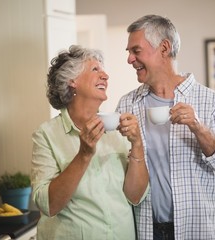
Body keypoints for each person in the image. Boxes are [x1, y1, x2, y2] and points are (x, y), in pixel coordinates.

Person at [116, 15, 215, 240]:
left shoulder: (209, 101)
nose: (129, 59)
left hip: (197, 230)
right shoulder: (127, 105)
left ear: (164, 48)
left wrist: (197, 127)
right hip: (145, 231)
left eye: (136, 51)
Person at [31, 45, 149, 240]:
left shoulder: (119, 129)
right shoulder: (46, 135)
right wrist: (83, 154)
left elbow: (135, 196)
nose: (106, 76)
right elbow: (49, 205)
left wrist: (137, 145)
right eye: (95, 69)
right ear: (72, 81)